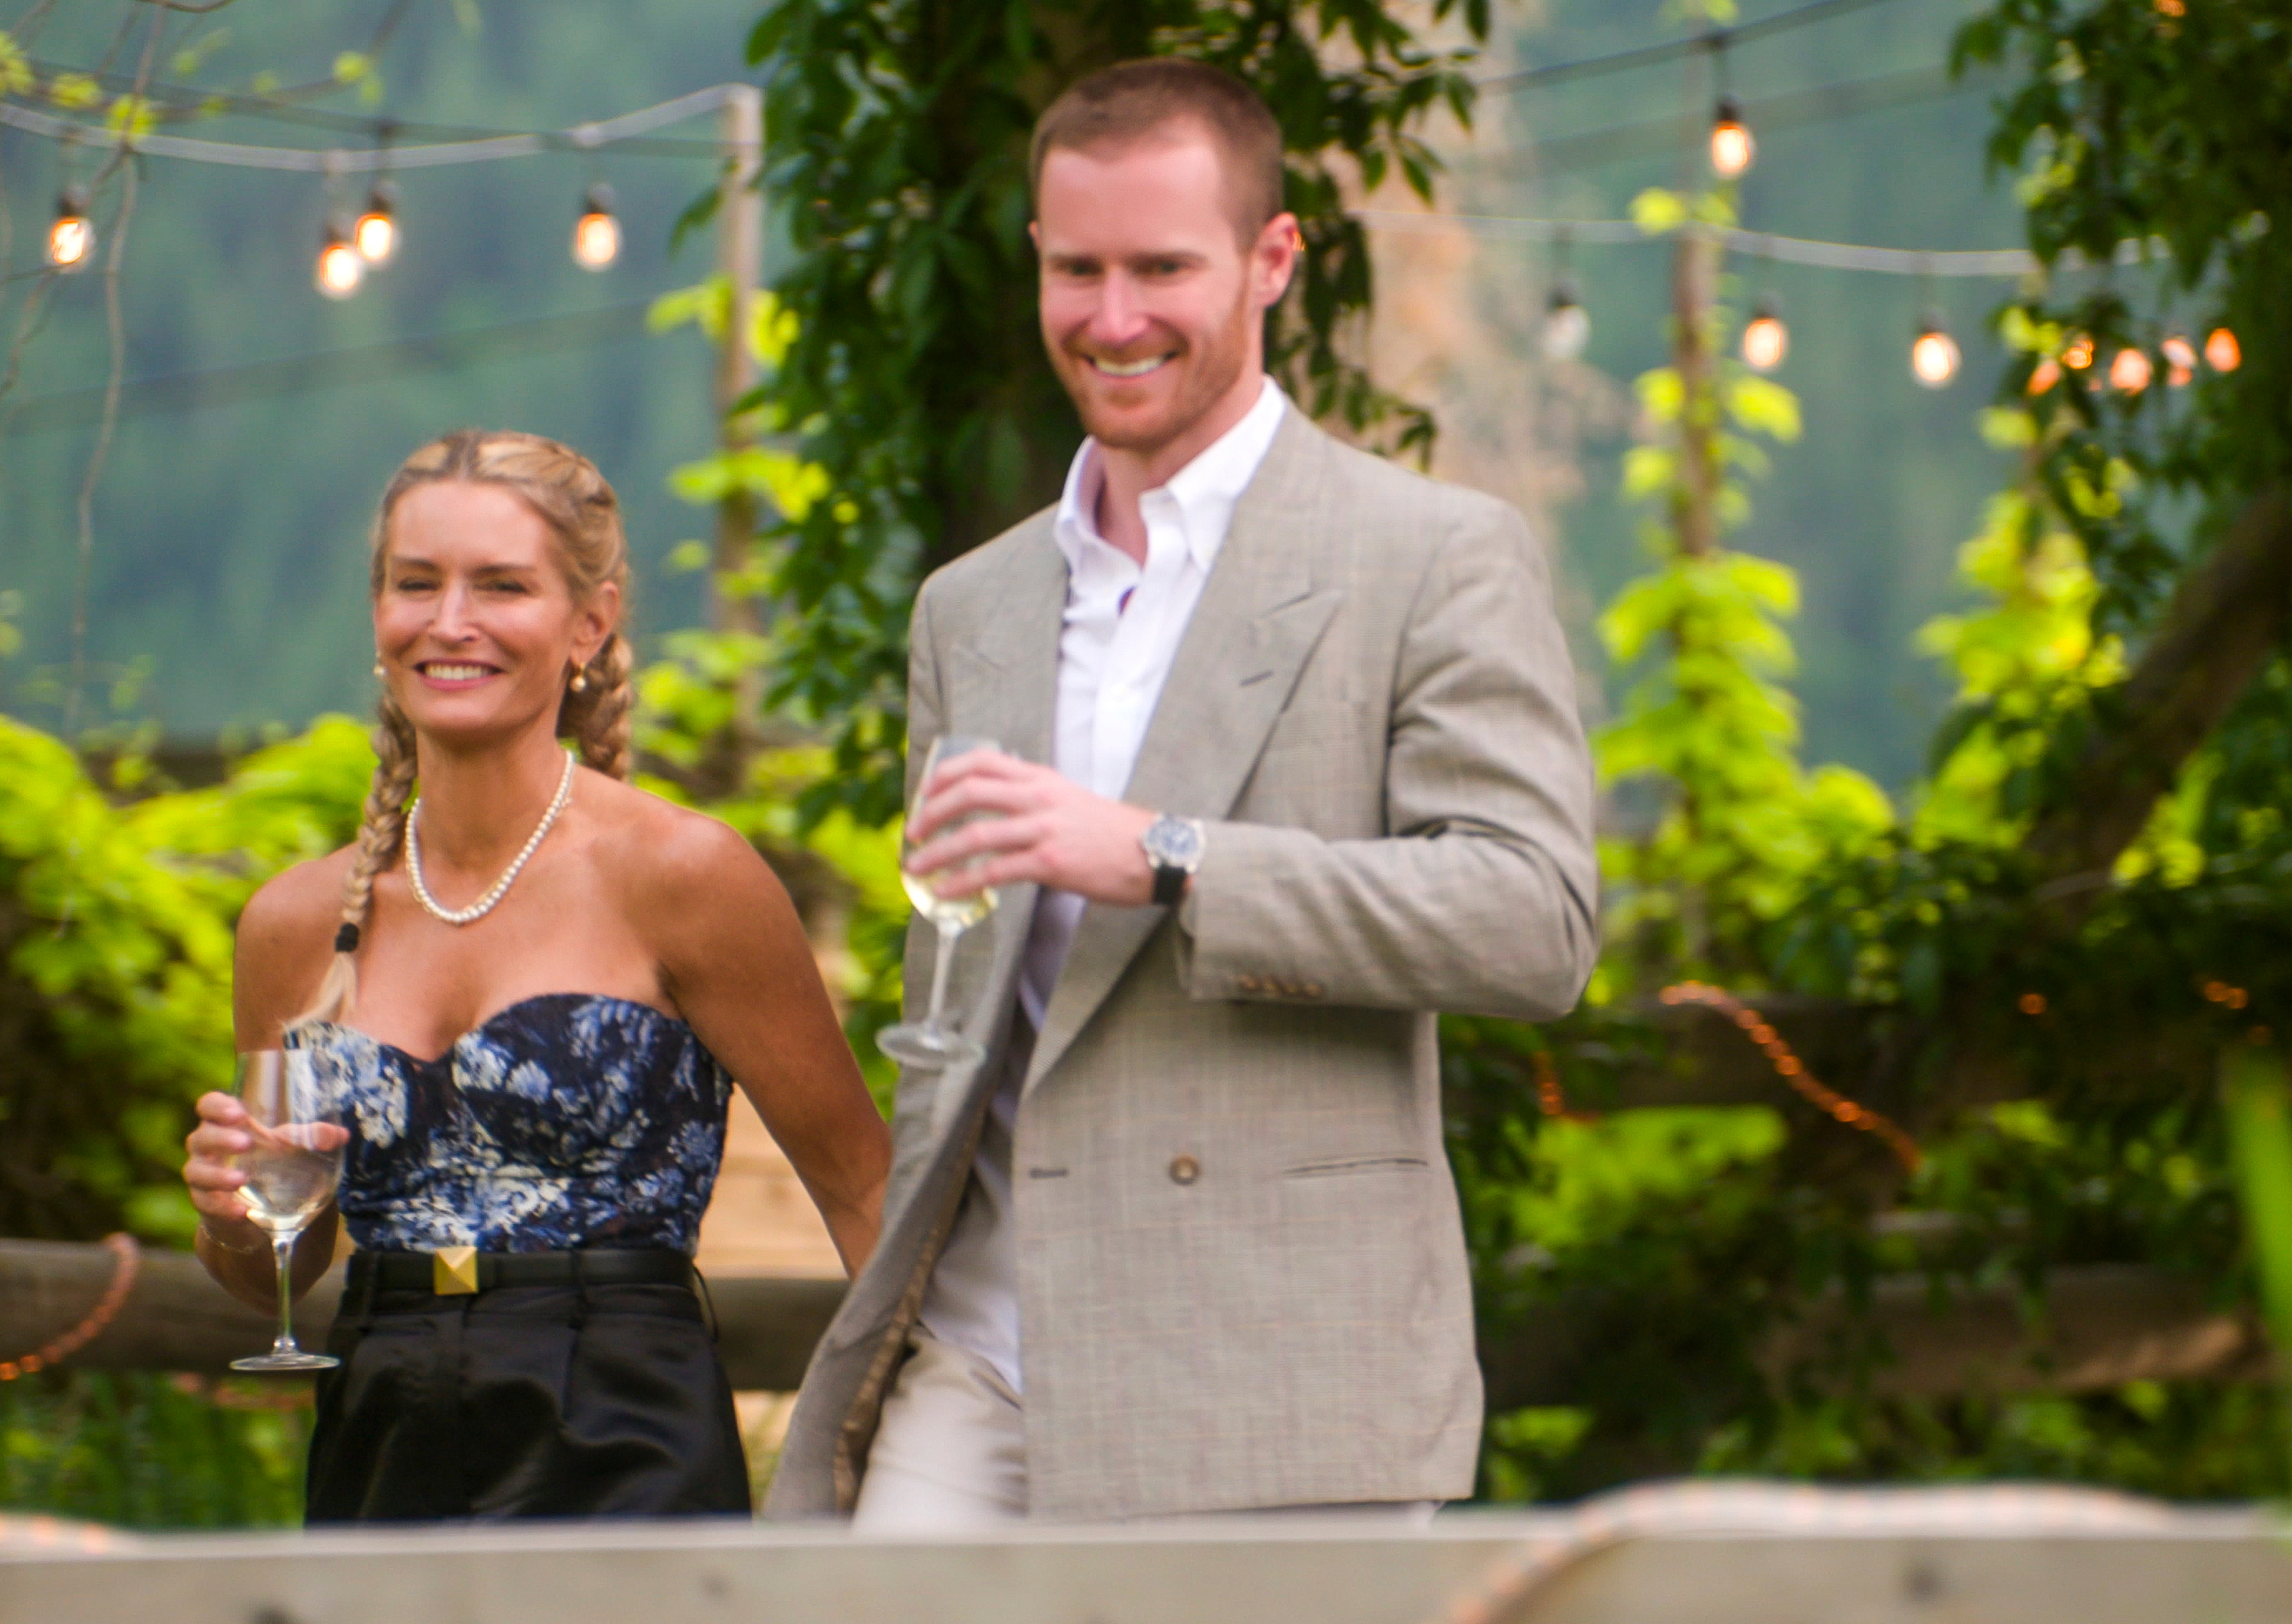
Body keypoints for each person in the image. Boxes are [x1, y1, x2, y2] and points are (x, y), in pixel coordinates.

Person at [768, 59, 1599, 1528]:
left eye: (1164, 266)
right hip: (978, 1355)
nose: (1113, 317)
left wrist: (1165, 853)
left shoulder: (1430, 553)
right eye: (1076, 267)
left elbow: (1532, 919)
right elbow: (953, 998)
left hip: (1271, 1368)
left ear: (1273, 259)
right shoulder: (971, 606)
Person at [181, 429, 888, 1522]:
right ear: (379, 615)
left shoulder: (685, 874)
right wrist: (233, 1215)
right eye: (417, 583)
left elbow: (862, 1184)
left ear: (588, 624)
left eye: (501, 585)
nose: (450, 620)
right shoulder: (293, 921)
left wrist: (929, 1465)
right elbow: (281, 1261)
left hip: (626, 1425)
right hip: (381, 1418)